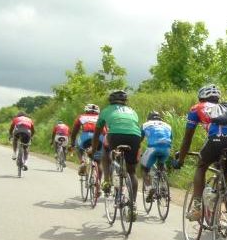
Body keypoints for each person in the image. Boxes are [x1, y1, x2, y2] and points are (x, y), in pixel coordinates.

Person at [172, 84, 227, 221]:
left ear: (201, 97)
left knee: (201, 166)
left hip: (218, 140)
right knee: (226, 175)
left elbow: (187, 139)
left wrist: (181, 160)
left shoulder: (197, 108)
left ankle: (197, 207)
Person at [90, 90, 141, 221]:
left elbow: (97, 133)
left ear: (110, 101)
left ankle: (107, 179)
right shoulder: (132, 111)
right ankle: (133, 205)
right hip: (135, 137)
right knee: (132, 171)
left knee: (105, 150)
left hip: (115, 136)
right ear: (125, 101)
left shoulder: (106, 110)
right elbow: (135, 126)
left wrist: (94, 149)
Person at [140, 111, 173, 202]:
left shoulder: (145, 124)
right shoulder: (168, 126)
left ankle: (149, 187)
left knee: (144, 169)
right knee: (161, 165)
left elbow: (139, 140)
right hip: (166, 149)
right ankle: (164, 188)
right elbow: (170, 139)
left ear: (148, 118)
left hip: (153, 148)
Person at [71, 104, 100, 175]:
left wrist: (72, 143)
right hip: (99, 137)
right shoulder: (101, 118)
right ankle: (99, 181)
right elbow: (106, 131)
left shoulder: (82, 117)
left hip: (85, 136)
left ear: (86, 110)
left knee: (78, 147)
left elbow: (74, 132)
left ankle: (83, 162)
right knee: (100, 155)